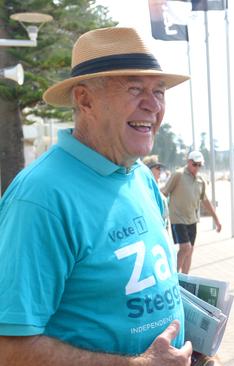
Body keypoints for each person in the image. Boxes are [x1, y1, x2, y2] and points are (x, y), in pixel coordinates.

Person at [0, 27, 193, 365]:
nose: (152, 105)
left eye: (159, 91)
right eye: (135, 89)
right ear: (85, 99)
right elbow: (9, 348)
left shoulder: (141, 177)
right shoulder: (40, 197)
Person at [162, 151, 222, 274]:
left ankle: (185, 280)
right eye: (195, 164)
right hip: (177, 218)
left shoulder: (201, 180)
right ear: (188, 162)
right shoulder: (178, 175)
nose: (197, 167)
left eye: (200, 165)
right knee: (185, 248)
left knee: (190, 250)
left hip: (192, 219)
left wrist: (217, 220)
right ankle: (173, 276)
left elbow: (206, 201)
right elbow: (164, 193)